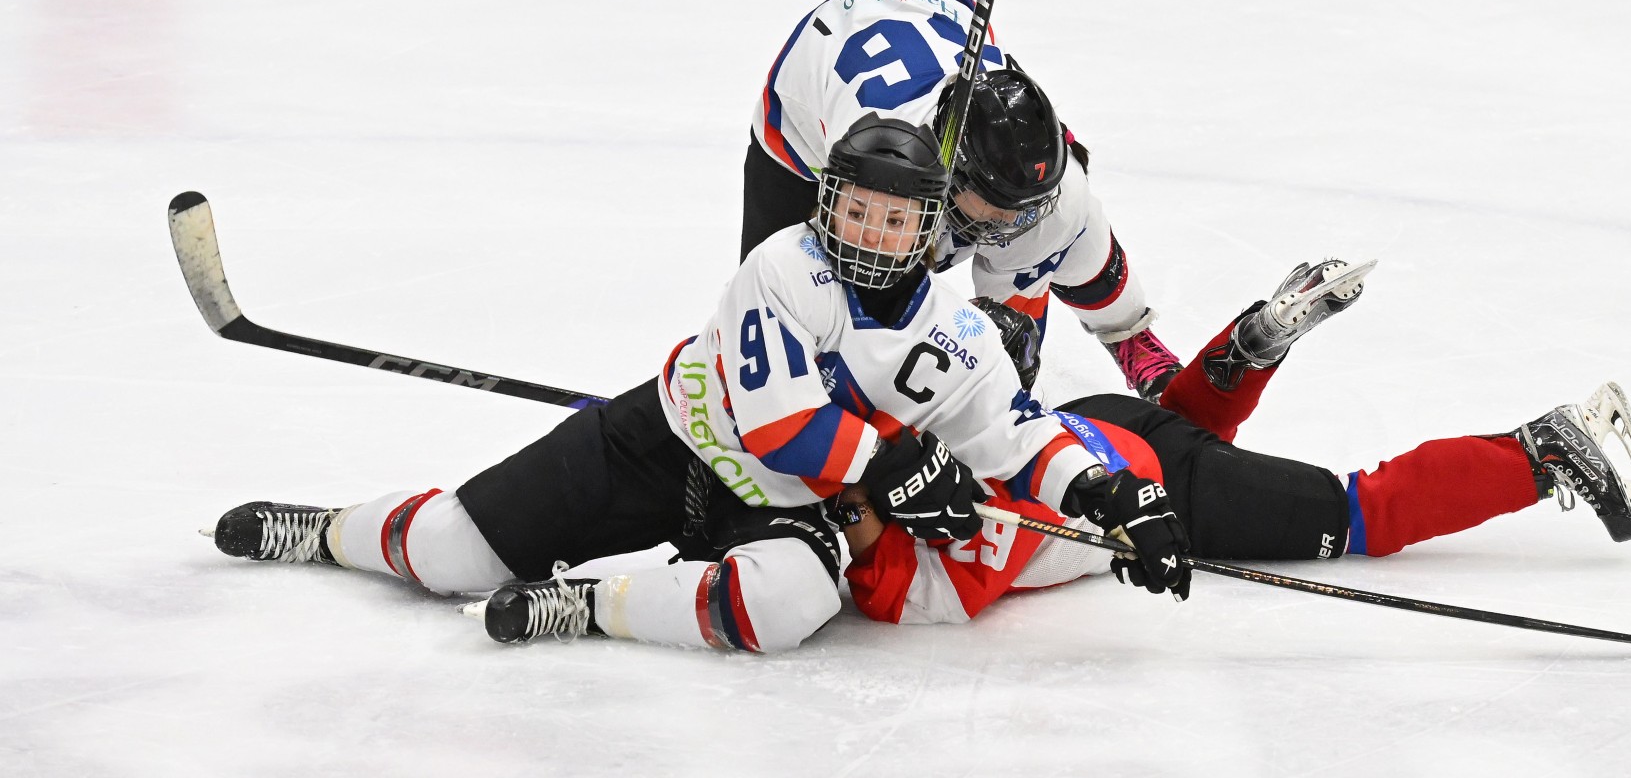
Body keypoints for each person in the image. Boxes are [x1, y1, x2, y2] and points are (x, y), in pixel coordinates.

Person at [204, 117, 1192, 652]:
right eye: (858, 211)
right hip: (672, 444)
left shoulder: (953, 333)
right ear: (829, 204)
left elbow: (1013, 434)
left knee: (785, 611)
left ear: (928, 229)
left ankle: (585, 608)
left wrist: (1112, 499)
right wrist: (893, 459)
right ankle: (331, 530)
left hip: (788, 512)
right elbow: (783, 429)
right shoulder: (779, 270)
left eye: (899, 222)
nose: (874, 236)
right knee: (450, 554)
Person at [838, 268, 1631, 625]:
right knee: (1191, 435)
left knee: (1361, 511)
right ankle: (1250, 345)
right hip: (1092, 422)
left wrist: (853, 524)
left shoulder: (912, 578)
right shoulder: (897, 445)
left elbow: (925, 588)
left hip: (1152, 483)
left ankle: (1548, 452)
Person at [742, 0, 1188, 401]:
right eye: (995, 207)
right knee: (787, 298)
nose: (1011, 223)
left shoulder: (1038, 191)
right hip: (804, 117)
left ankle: (1130, 334)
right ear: (951, 176)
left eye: (1020, 207)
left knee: (1069, 223)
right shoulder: (878, 182)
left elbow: (1009, 356)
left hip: (940, 14)